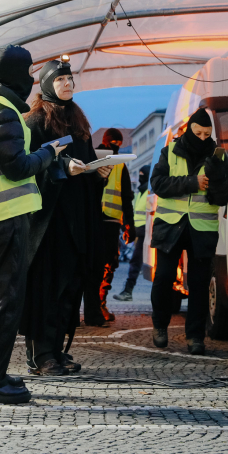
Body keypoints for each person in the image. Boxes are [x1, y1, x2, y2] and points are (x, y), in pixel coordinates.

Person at [0, 44, 60, 405]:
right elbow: (15, 167)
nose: (33, 78)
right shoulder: (1, 110)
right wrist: (48, 155)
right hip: (2, 216)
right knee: (5, 298)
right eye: (29, 71)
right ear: (17, 74)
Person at [21, 56, 104, 376]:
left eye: (70, 80)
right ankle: (41, 355)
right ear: (45, 84)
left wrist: (98, 173)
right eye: (60, 80)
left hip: (76, 221)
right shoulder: (34, 122)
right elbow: (26, 169)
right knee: (46, 287)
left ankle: (56, 349)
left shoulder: (78, 121)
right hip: (47, 223)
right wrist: (61, 168)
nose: (68, 84)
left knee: (70, 286)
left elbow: (87, 163)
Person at [149, 108, 228, 355]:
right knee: (164, 278)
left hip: (202, 228)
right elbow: (157, 184)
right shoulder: (170, 151)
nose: (203, 138)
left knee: (198, 285)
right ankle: (160, 326)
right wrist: (191, 182)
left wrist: (217, 179)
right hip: (171, 225)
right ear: (189, 130)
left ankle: (195, 337)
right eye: (199, 133)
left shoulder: (218, 156)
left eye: (207, 134)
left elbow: (222, 198)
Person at [86, 128, 135, 324]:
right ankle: (96, 307)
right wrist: (129, 226)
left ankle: (98, 305)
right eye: (113, 142)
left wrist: (129, 225)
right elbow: (127, 198)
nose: (115, 146)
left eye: (118, 143)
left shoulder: (119, 164)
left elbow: (126, 196)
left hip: (107, 221)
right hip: (99, 221)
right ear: (106, 141)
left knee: (106, 265)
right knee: (99, 265)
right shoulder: (93, 159)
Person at [113, 164, 150, 302]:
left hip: (146, 233)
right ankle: (128, 290)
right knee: (136, 262)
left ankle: (128, 291)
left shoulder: (147, 192)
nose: (140, 177)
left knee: (136, 262)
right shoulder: (141, 192)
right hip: (139, 232)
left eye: (142, 174)